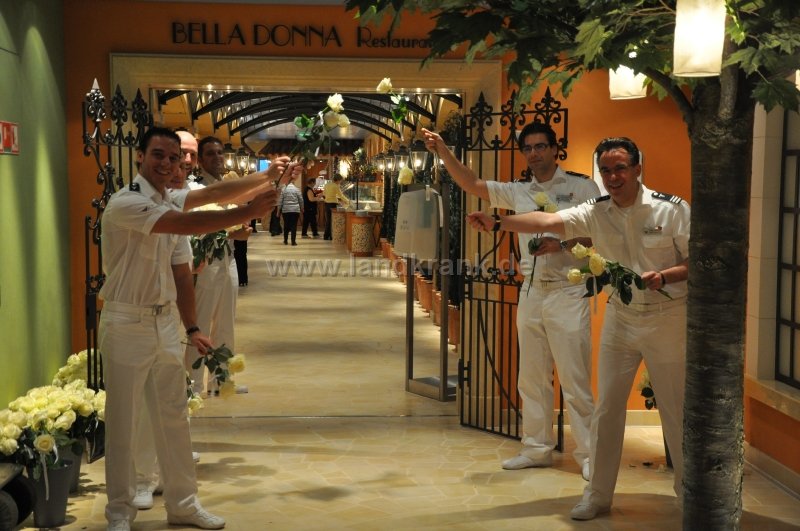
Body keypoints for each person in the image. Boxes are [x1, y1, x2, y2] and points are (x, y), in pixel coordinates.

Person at [466, 136, 689, 521]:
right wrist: (499, 222)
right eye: (606, 170)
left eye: (620, 168)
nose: (613, 176)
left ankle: (689, 495)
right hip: (621, 316)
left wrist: (665, 276)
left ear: (637, 168)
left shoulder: (672, 210)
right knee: (606, 411)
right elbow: (549, 221)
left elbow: (699, 261)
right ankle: (597, 495)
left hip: (665, 318)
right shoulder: (597, 210)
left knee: (676, 409)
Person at [99, 126, 298, 531]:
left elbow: (205, 212)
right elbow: (186, 224)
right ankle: (119, 511)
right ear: (140, 156)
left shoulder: (169, 198)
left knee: (174, 415)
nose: (167, 164)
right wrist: (247, 212)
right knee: (123, 420)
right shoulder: (127, 202)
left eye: (173, 158)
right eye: (158, 155)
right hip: (125, 321)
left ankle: (183, 503)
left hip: (163, 321)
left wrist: (266, 176)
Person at [423, 123, 598, 480]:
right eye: (528, 148)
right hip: (532, 291)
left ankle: (590, 455)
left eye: (541, 146)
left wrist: (563, 245)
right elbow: (472, 183)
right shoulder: (518, 191)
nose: (534, 154)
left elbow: (600, 233)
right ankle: (536, 447)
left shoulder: (582, 187)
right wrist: (443, 151)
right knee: (531, 377)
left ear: (555, 149)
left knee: (574, 378)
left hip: (568, 290)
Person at [187, 136, 251, 396]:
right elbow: (197, 229)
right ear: (201, 160)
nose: (217, 158)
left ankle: (221, 381)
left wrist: (240, 231)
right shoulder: (194, 188)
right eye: (210, 154)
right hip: (206, 263)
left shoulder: (227, 187)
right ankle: (191, 385)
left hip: (228, 259)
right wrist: (231, 231)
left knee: (226, 323)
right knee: (201, 323)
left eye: (220, 153)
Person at [322, 173, 349, 240]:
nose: (340, 182)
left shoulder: (327, 185)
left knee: (328, 220)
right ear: (338, 180)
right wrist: (348, 201)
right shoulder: (336, 186)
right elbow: (341, 195)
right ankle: (331, 236)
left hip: (326, 204)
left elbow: (324, 194)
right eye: (340, 181)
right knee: (332, 221)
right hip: (333, 204)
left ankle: (326, 236)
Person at [278, 178, 303, 245]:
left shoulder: (284, 190)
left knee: (286, 225)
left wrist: (278, 211)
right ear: (293, 182)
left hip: (286, 210)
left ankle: (285, 240)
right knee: (294, 226)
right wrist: (302, 208)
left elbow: (280, 201)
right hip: (295, 210)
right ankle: (293, 242)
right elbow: (301, 200)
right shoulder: (297, 189)